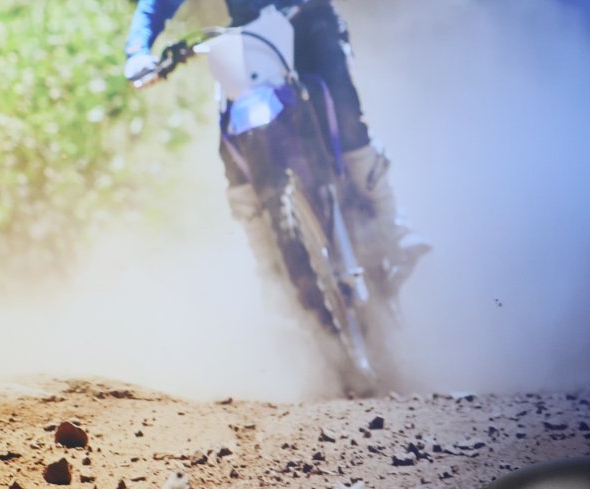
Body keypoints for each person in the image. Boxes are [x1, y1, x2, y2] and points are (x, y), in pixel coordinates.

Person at [123, 0, 427, 289]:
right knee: (233, 140)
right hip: (252, 40)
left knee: (344, 115)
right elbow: (155, 5)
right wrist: (138, 51)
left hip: (310, 22)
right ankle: (270, 271)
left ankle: (391, 227)